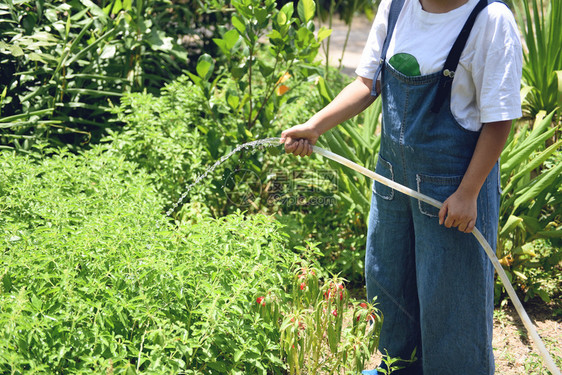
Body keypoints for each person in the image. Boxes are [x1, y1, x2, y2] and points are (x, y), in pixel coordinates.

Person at [280, 0, 523, 373]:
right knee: (389, 282)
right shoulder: (396, 6)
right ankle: (397, 367)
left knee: (451, 301)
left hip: (454, 194)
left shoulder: (490, 20)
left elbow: (499, 119)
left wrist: (469, 193)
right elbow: (367, 83)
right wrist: (315, 126)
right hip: (392, 183)